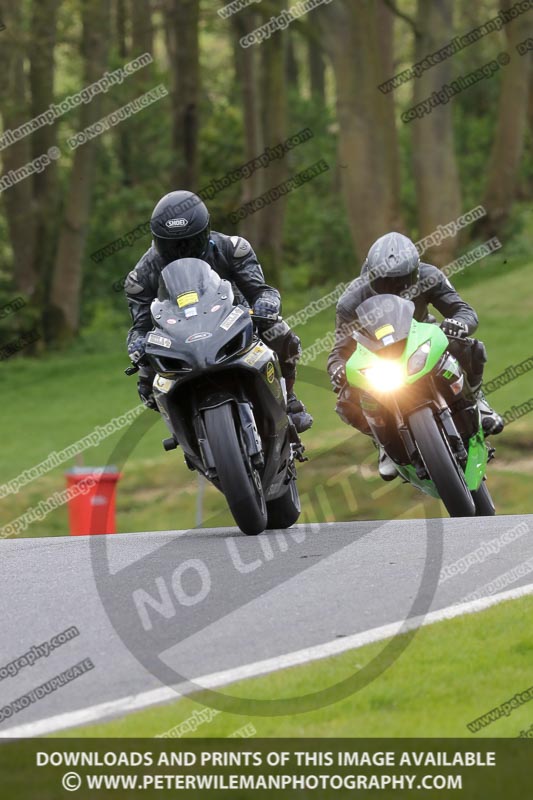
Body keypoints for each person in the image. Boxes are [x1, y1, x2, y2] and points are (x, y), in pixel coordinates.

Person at [125, 189, 312, 432]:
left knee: (280, 332)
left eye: (190, 243)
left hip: (234, 322)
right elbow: (139, 327)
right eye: (173, 246)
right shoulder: (141, 276)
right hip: (177, 337)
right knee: (146, 381)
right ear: (157, 240)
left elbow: (261, 291)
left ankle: (289, 399)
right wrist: (137, 344)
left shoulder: (232, 249)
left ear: (205, 232)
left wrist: (266, 304)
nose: (182, 251)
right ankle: (187, 431)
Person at [327, 231, 504, 480]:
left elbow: (462, 310)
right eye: (385, 282)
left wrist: (459, 324)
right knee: (347, 398)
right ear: (369, 274)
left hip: (422, 339)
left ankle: (479, 403)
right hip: (378, 356)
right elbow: (339, 350)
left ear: (415, 273)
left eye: (401, 281)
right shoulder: (350, 300)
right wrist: (337, 368)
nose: (393, 288)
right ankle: (382, 442)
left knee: (469, 346)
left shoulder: (430, 276)